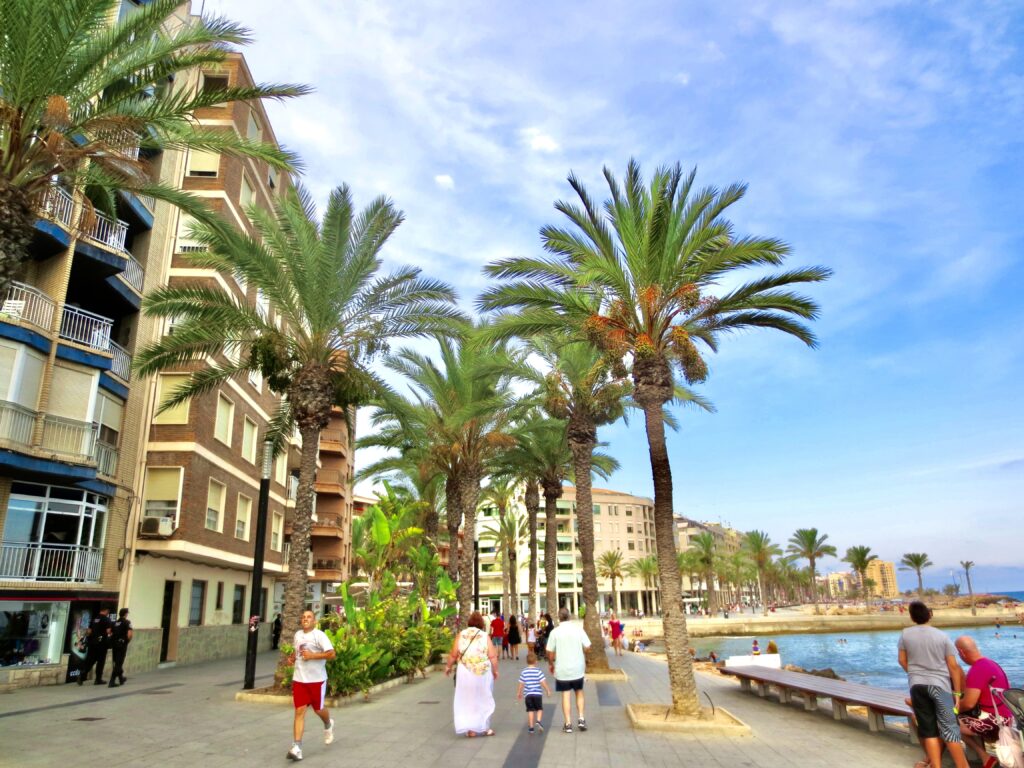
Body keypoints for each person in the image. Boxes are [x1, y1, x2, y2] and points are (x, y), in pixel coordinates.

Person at [897, 601, 969, 768]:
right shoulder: (942, 636)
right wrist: (957, 694)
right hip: (940, 685)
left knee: (928, 729)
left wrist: (914, 674)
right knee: (950, 729)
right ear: (929, 615)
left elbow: (901, 660)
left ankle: (936, 765)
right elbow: (953, 666)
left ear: (912, 617)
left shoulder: (905, 634)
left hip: (917, 686)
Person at [287, 609, 336, 761]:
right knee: (299, 711)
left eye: (309, 617)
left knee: (318, 709)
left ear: (314, 621)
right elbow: (297, 651)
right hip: (299, 680)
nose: (305, 619)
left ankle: (328, 724)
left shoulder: (319, 635)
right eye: (303, 617)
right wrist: (292, 658)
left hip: (317, 680)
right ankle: (297, 747)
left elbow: (331, 654)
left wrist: (312, 656)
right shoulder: (297, 635)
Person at [954, 636, 1012, 764]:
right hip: (1007, 716)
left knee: (945, 722)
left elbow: (969, 704)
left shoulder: (977, 669)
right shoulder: (991, 663)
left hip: (994, 720)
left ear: (962, 652)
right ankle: (985, 757)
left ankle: (984, 757)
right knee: (958, 718)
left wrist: (953, 709)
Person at [446, 611, 498, 737]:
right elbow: (492, 656)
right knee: (483, 697)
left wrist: (448, 666)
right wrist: (495, 670)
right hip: (482, 672)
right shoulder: (484, 636)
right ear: (481, 623)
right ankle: (484, 727)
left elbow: (453, 654)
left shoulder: (461, 634)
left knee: (467, 699)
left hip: (465, 672)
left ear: (469, 622)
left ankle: (471, 729)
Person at [546, 607, 592, 734]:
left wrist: (551, 664)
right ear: (569, 616)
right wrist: (581, 652)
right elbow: (588, 646)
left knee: (565, 695)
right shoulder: (578, 630)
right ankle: (581, 719)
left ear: (559, 617)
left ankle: (568, 724)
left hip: (562, 669)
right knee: (579, 692)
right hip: (578, 668)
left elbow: (549, 652)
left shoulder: (555, 632)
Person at [517, 651, 552, 733]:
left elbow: (521, 683)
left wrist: (519, 692)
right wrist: (547, 690)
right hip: (537, 694)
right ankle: (538, 721)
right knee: (539, 708)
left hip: (528, 695)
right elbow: (543, 682)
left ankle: (531, 728)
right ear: (536, 662)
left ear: (527, 661)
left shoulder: (524, 671)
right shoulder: (538, 671)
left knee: (530, 710)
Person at [78, 607, 113, 686]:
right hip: (102, 644)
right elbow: (108, 631)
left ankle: (82, 675)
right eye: (108, 611)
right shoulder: (106, 620)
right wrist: (112, 634)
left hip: (92, 643)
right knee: (100, 662)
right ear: (106, 610)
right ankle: (98, 679)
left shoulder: (94, 619)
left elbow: (89, 631)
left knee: (90, 661)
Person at [108, 608, 132, 687]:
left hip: (114, 644)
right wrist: (127, 641)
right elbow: (129, 634)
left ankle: (121, 679)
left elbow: (109, 632)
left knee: (116, 662)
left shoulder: (114, 623)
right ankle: (112, 681)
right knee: (119, 663)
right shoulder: (127, 622)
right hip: (122, 644)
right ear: (125, 614)